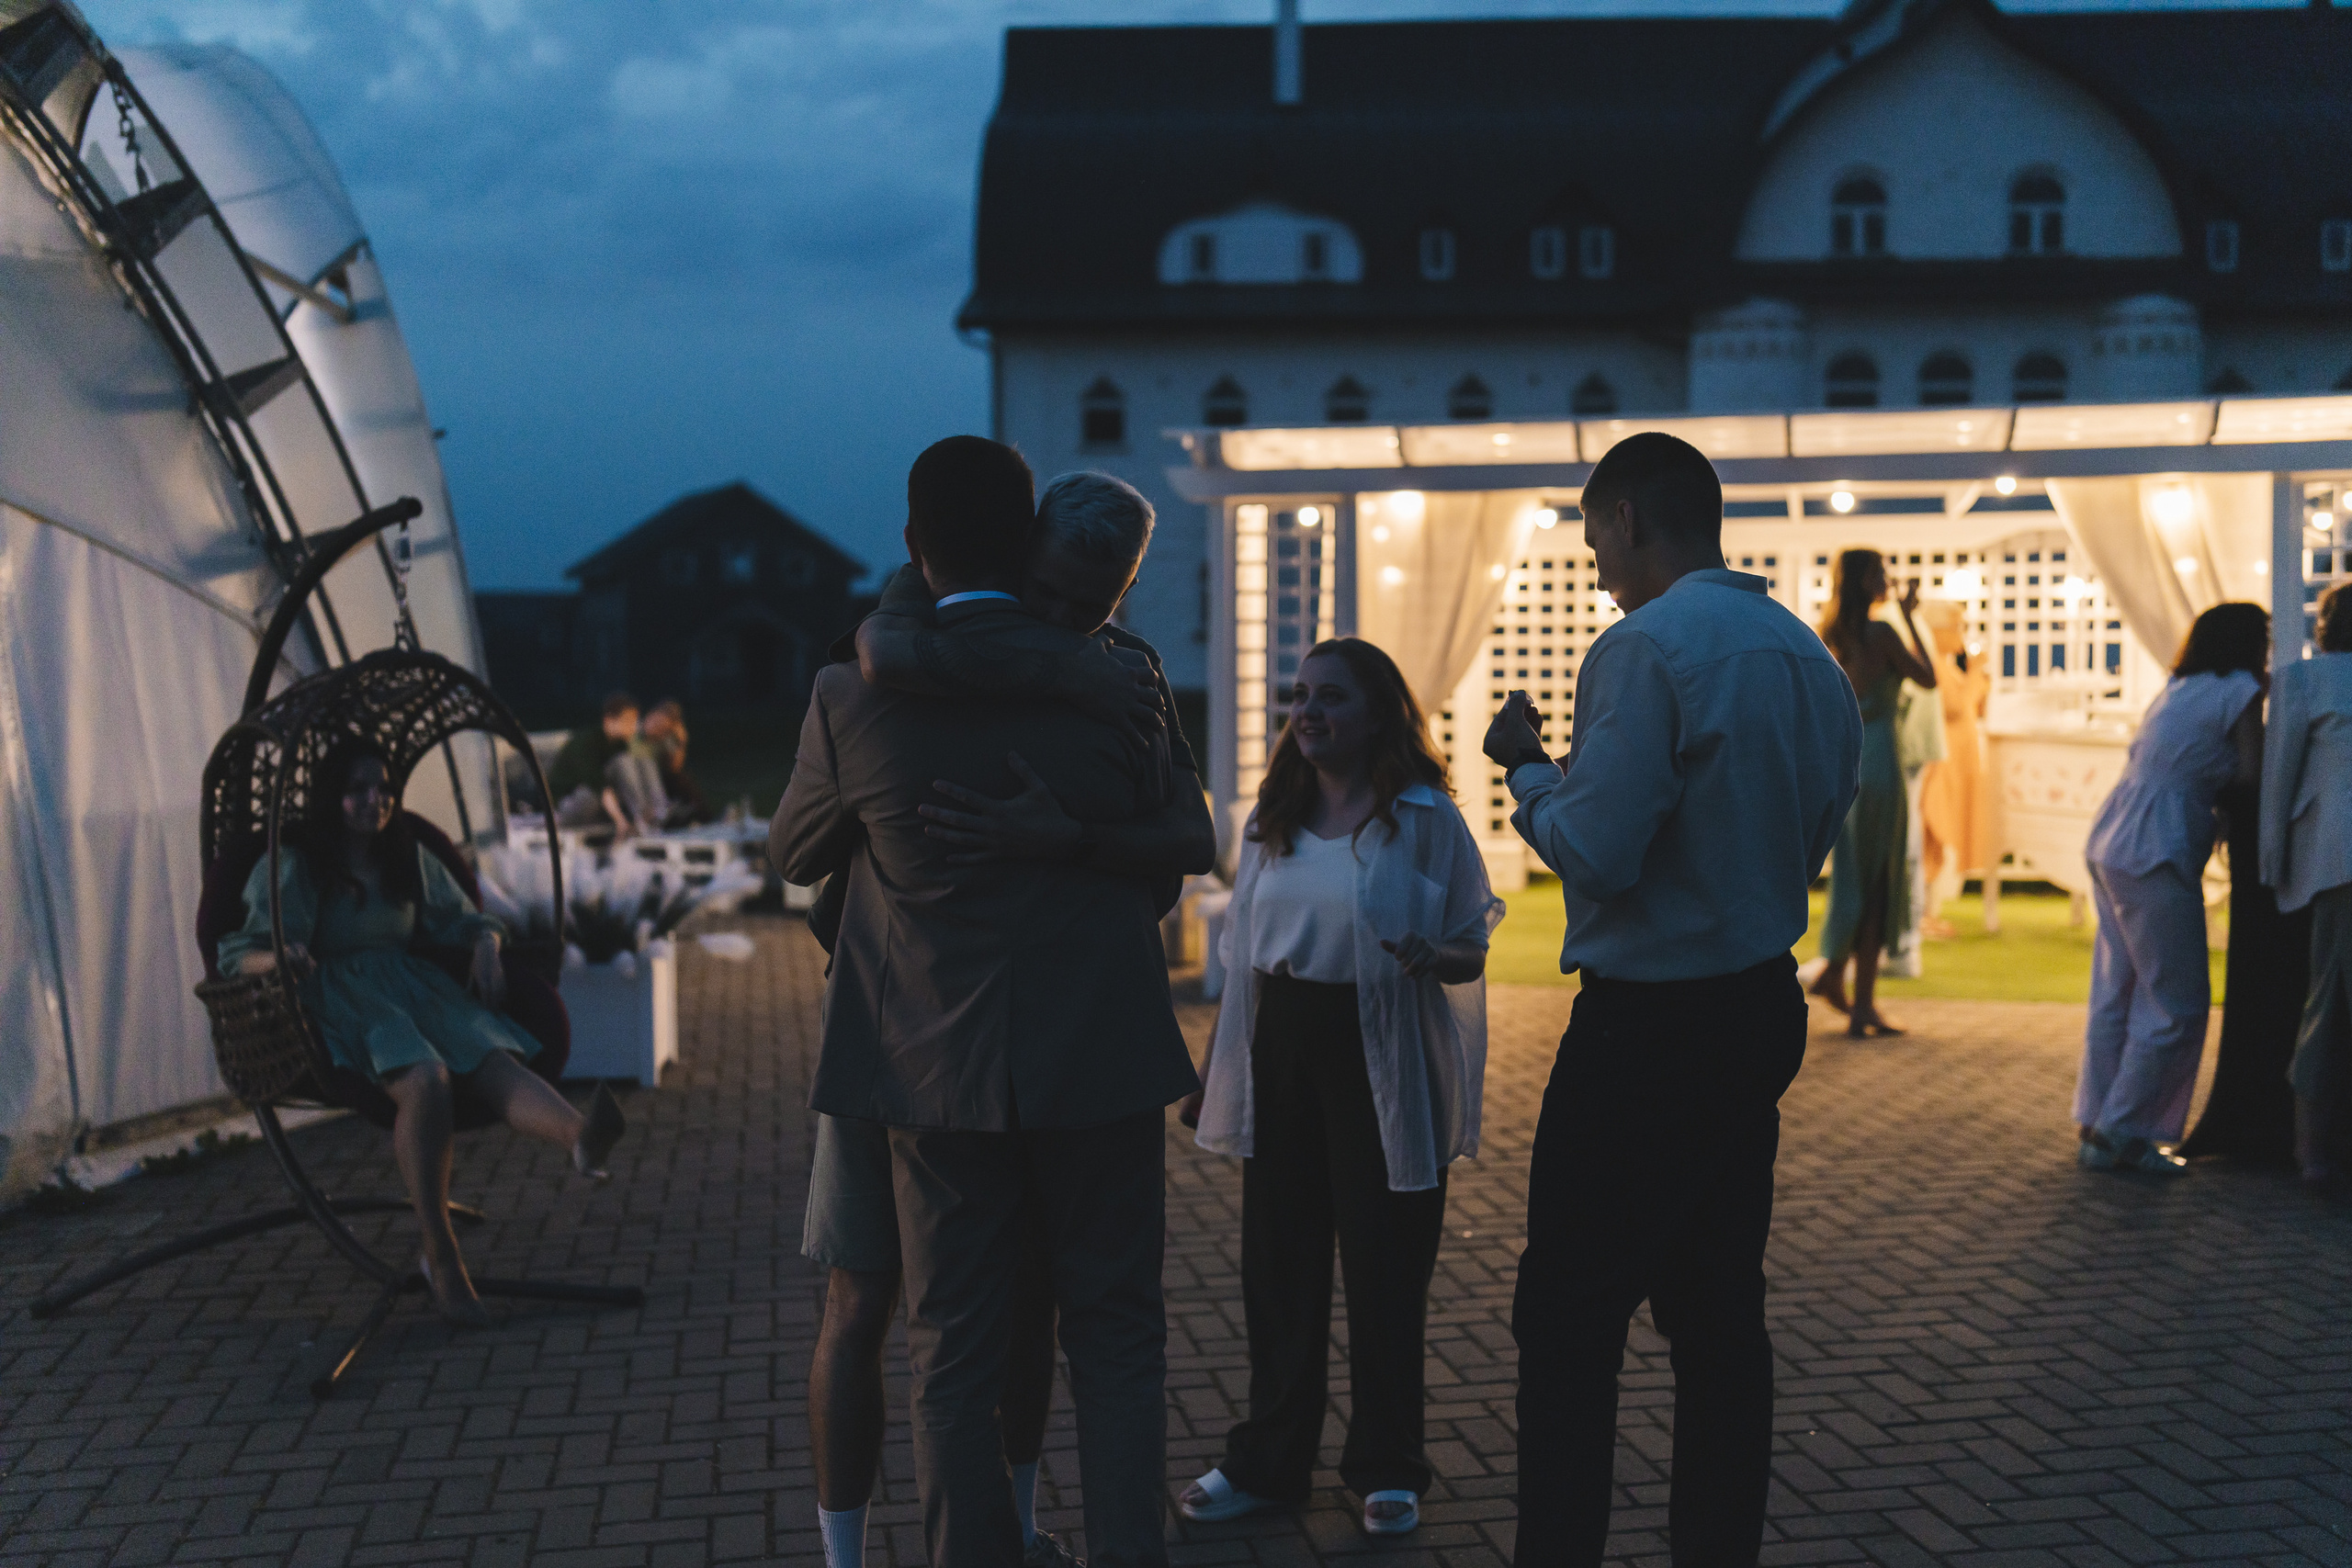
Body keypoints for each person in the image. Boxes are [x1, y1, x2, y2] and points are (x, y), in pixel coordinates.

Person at [775, 437, 1209, 1568]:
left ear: (915, 546)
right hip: (1104, 1059)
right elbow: (1180, 851)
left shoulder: (855, 694)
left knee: (951, 1355)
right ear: (1024, 548)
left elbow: (794, 851)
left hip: (935, 1067)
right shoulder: (1125, 681)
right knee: (1117, 1340)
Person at [1482, 432, 1860, 1568]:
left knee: (1567, 1320)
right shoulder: (1804, 654)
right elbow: (1819, 830)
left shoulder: (1645, 649)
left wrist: (1527, 770)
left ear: (1630, 517)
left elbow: (1598, 851)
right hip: (1757, 1008)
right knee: (1716, 1314)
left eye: (1593, 528)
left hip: (1647, 1024)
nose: (1592, 554)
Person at [1173, 638, 1499, 1539]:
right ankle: (1268, 1463)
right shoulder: (1267, 817)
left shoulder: (1422, 816)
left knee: (1387, 1270)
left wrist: (1441, 956)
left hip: (1381, 1053)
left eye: (1331, 698)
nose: (1307, 712)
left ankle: (1387, 1466)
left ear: (1379, 714)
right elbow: (1240, 958)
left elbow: (1474, 933)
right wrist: (1215, 1074)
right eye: (1300, 695)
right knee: (1280, 1269)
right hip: (1282, 1046)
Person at [218, 741, 626, 1325]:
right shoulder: (297, 863)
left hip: (414, 985)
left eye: (383, 788)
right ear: (331, 798)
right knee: (427, 1077)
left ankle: (579, 1137)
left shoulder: (404, 852)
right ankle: (440, 1252)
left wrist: (486, 943)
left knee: (491, 1055)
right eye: (358, 789)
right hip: (341, 995)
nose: (374, 801)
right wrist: (282, 956)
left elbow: (462, 915)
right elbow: (239, 953)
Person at [2075, 602, 2268, 1179]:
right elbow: (2252, 774)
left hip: (2113, 833)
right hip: (2158, 844)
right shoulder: (2240, 691)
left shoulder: (2177, 686)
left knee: (2118, 991)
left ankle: (2096, 1121)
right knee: (2178, 1002)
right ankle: (2124, 1131)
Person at [1809, 548, 1938, 1037]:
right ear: (1865, 581)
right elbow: (1929, 679)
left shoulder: (1830, 636)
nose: (1887, 580)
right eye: (1881, 573)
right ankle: (1860, 1001)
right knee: (1879, 878)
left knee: (1853, 875)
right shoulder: (1882, 633)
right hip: (1881, 756)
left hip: (1847, 757)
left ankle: (1837, 976)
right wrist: (1909, 618)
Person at [2264, 583, 2352, 1186]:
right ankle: (2316, 1152)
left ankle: (2313, 1152)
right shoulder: (2306, 680)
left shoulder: (2304, 680)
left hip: (2336, 860)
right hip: (2339, 858)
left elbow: (2280, 776)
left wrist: (2271, 862)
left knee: (2325, 1000)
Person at [1917, 599, 1989, 938]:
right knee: (1930, 835)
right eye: (1957, 625)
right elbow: (1956, 707)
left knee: (1936, 841)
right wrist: (1975, 672)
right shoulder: (1930, 662)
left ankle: (1928, 913)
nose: (1961, 633)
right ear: (1939, 630)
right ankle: (1921, 915)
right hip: (1939, 764)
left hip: (1954, 763)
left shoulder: (1945, 664)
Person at [548, 692, 641, 836]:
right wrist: (620, 820)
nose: (633, 727)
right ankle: (641, 818)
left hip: (596, 803)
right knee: (621, 764)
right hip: (566, 807)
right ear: (608, 720)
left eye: (634, 721)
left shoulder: (619, 745)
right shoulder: (586, 742)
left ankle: (654, 814)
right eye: (627, 721)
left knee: (640, 762)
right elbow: (598, 785)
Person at [642, 701, 714, 826]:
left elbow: (675, 767)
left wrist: (681, 743)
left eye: (663, 729)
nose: (658, 729)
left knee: (681, 778)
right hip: (643, 782)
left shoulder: (662, 738)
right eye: (657, 723)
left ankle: (703, 818)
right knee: (678, 779)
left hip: (658, 781)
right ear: (649, 715)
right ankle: (704, 819)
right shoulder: (635, 733)